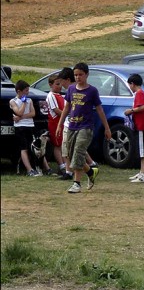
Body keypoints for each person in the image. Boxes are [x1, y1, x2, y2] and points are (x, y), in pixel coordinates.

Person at [57, 62, 111, 193]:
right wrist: (60, 124)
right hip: (72, 126)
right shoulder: (71, 89)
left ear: (87, 75)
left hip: (86, 127)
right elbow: (66, 107)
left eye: (80, 75)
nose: (78, 77)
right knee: (70, 154)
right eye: (75, 75)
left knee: (78, 152)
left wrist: (107, 128)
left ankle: (76, 183)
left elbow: (99, 109)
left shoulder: (92, 91)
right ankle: (91, 172)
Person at [10, 80, 42, 176]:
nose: (27, 93)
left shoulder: (30, 100)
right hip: (20, 127)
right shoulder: (13, 101)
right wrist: (23, 103)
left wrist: (21, 117)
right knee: (24, 148)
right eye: (25, 91)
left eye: (28, 90)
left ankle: (39, 167)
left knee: (34, 147)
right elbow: (18, 112)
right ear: (19, 91)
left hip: (30, 125)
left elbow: (33, 113)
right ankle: (29, 170)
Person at [125, 74, 144, 183]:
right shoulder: (140, 94)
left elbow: (143, 107)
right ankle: (141, 172)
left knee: (143, 151)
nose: (130, 87)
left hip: (142, 126)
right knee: (141, 150)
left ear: (133, 84)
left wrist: (131, 111)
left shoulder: (140, 94)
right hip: (140, 125)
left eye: (129, 85)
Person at [44, 73, 69, 177]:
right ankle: (61, 165)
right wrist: (65, 113)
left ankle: (65, 165)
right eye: (57, 84)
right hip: (55, 122)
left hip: (62, 122)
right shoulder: (51, 96)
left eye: (60, 84)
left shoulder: (60, 95)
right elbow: (56, 110)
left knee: (63, 144)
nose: (59, 86)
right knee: (57, 145)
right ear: (51, 85)